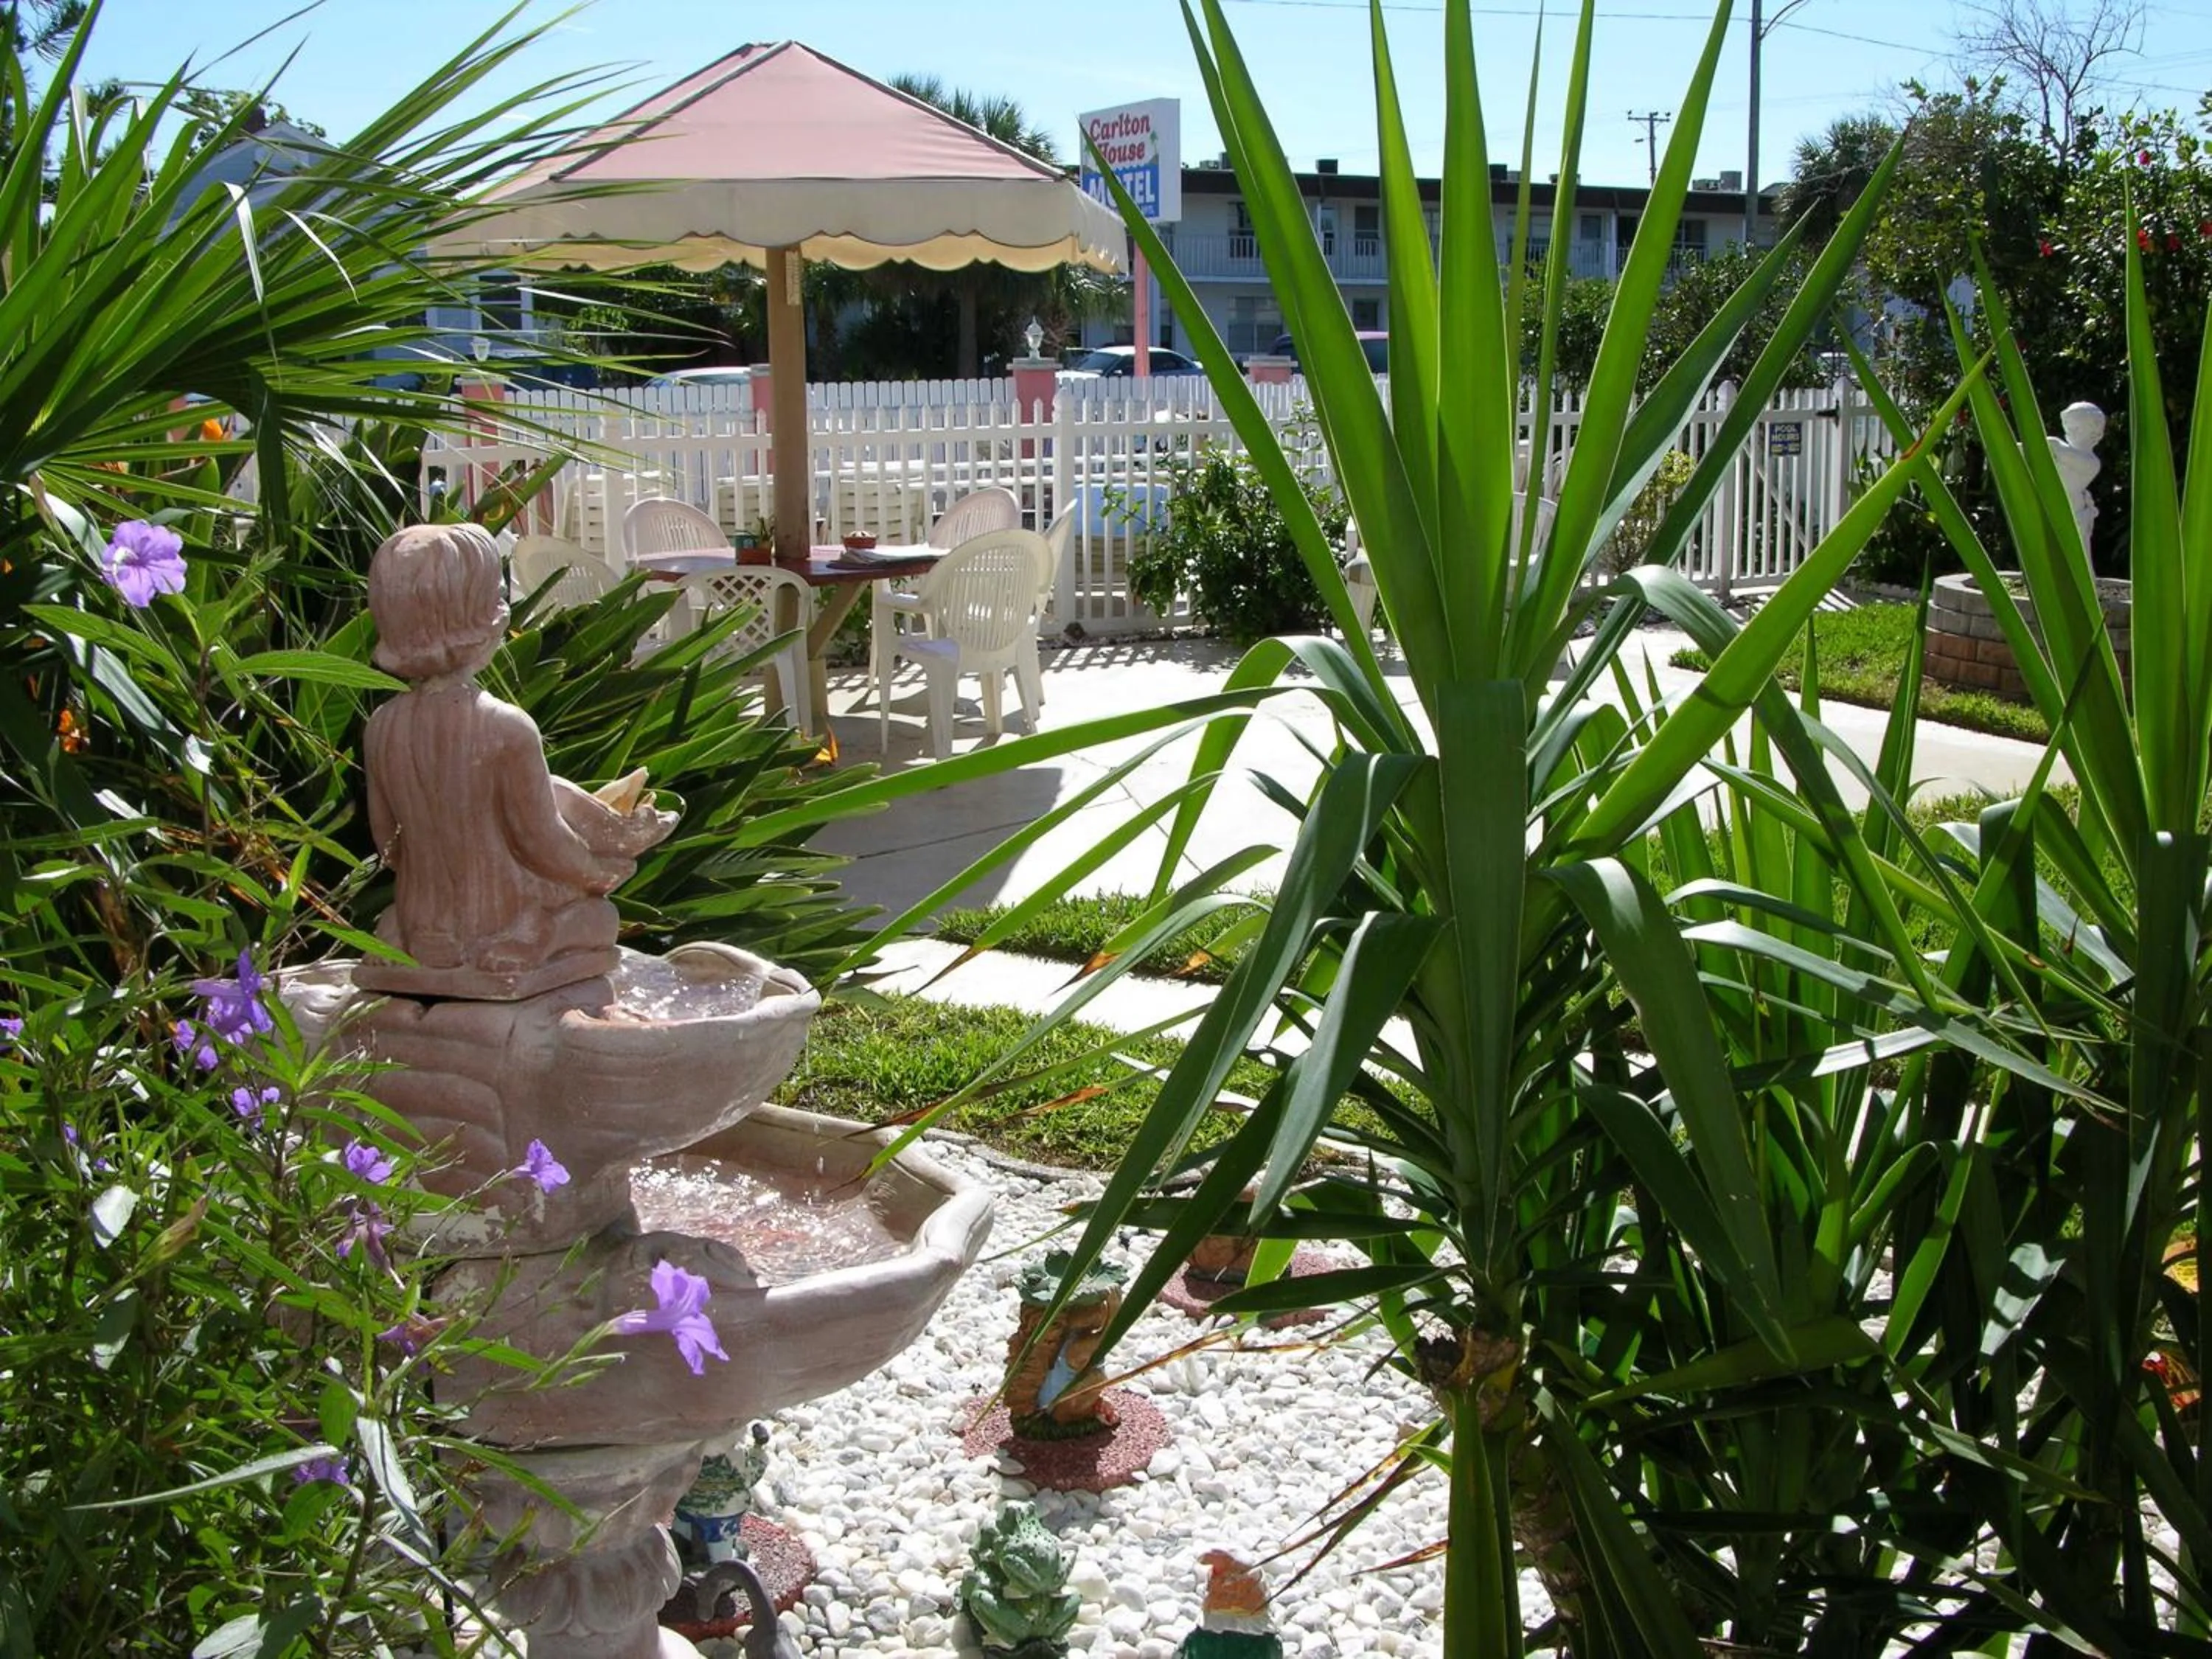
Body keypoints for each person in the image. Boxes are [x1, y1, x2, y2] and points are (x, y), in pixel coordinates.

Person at [358, 521, 672, 999]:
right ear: (487, 621)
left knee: (412, 913)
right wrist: (599, 871)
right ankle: (534, 937)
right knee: (600, 916)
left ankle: (396, 933)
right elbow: (540, 840)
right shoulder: (505, 727)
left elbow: (390, 846)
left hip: (421, 922)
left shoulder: (381, 727)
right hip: (500, 921)